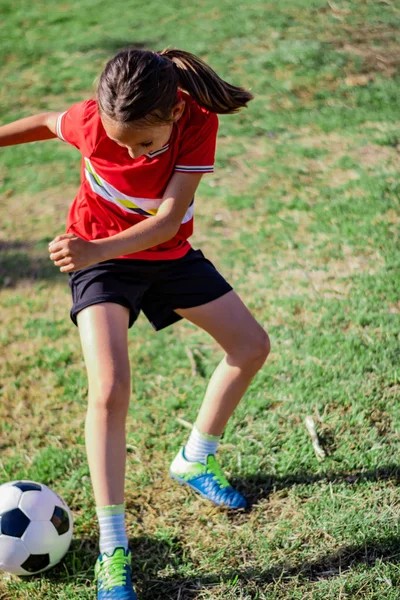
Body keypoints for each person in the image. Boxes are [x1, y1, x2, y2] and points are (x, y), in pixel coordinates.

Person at [0, 48, 270, 600]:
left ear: (173, 111)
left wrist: (95, 250)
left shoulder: (197, 122)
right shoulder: (94, 121)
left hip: (157, 253)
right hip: (100, 263)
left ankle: (195, 460)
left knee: (250, 346)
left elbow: (168, 219)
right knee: (110, 389)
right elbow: (50, 122)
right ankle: (112, 546)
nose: (130, 152)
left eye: (142, 144)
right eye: (120, 141)